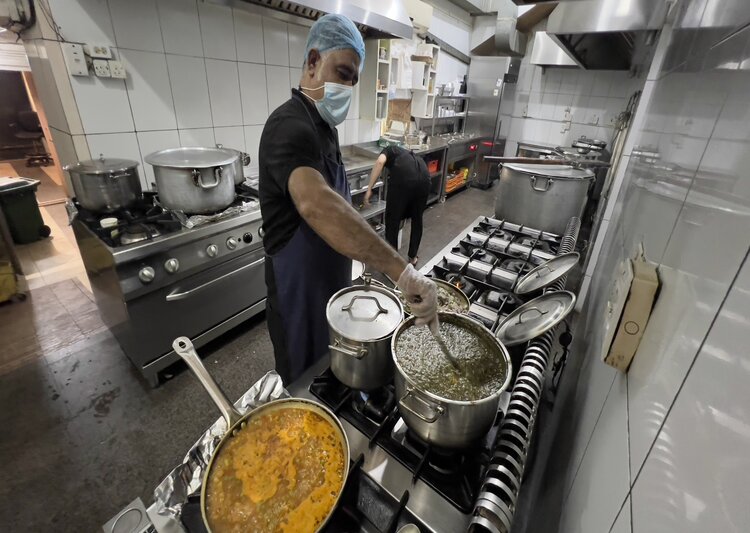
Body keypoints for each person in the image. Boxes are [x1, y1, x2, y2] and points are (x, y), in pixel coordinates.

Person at [258, 14, 438, 384]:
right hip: (298, 297)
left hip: (330, 286)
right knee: (302, 387)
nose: (347, 87)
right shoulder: (288, 125)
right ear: (312, 62)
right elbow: (318, 205)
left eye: (353, 80)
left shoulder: (324, 129)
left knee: (330, 377)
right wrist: (402, 272)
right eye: (342, 73)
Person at [364, 144, 430, 266]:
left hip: (404, 178)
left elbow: (380, 162)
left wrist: (369, 189)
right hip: (424, 177)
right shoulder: (406, 153)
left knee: (392, 219)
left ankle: (392, 261)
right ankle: (413, 257)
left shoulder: (389, 149)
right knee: (417, 219)